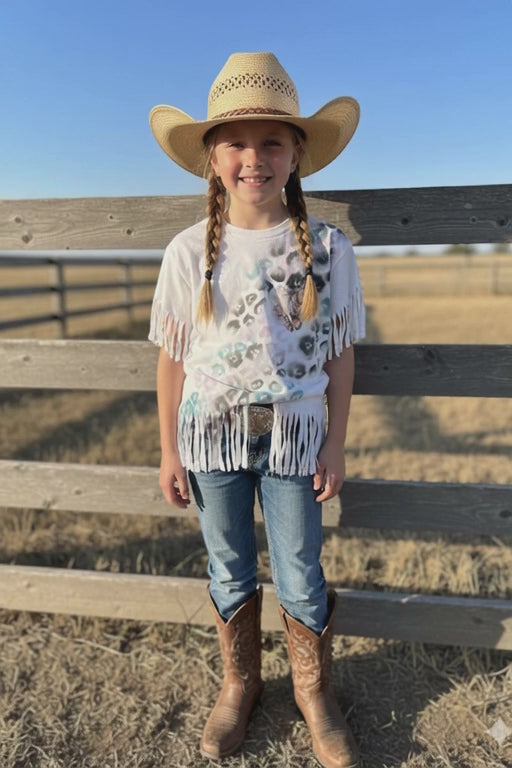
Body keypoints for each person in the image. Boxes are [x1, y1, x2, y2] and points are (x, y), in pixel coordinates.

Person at [148, 52, 365, 768]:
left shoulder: (328, 251)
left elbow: (338, 355)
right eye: (236, 143)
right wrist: (168, 449)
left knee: (300, 568)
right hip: (210, 439)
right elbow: (173, 357)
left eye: (272, 141)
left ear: (297, 154)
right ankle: (239, 684)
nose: (254, 158)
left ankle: (313, 693)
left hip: (297, 439)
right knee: (229, 566)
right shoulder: (187, 253)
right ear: (212, 158)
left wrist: (334, 443)